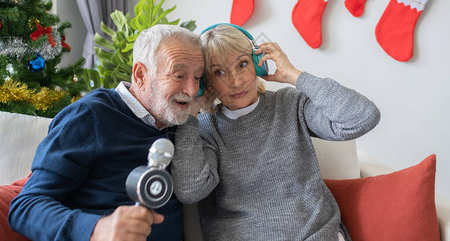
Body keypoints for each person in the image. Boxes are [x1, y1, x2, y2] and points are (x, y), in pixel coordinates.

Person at [171, 23, 381, 241]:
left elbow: (363, 117)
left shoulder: (290, 104)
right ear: (207, 82)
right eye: (219, 72)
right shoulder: (205, 127)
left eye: (242, 64)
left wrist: (294, 76)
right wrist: (191, 115)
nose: (236, 81)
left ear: (257, 64)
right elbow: (191, 190)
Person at [8, 24, 205, 241]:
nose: (192, 90)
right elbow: (26, 207)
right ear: (140, 75)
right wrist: (96, 229)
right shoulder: (90, 116)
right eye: (178, 75)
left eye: (197, 77)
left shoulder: (181, 124)